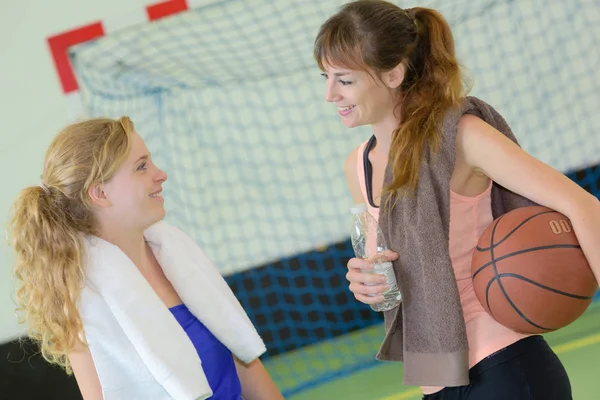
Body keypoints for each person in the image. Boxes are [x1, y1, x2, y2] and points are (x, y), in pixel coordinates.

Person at [314, 1, 600, 399]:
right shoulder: (356, 167)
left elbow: (585, 207)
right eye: (325, 77)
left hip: (506, 365)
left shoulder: (463, 136)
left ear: (393, 73)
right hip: (438, 382)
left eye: (344, 80)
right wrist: (367, 284)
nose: (329, 94)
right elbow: (391, 275)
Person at [8, 116, 284, 400]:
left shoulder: (177, 255)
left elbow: (241, 358)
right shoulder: (83, 302)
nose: (160, 174)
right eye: (141, 167)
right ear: (100, 193)